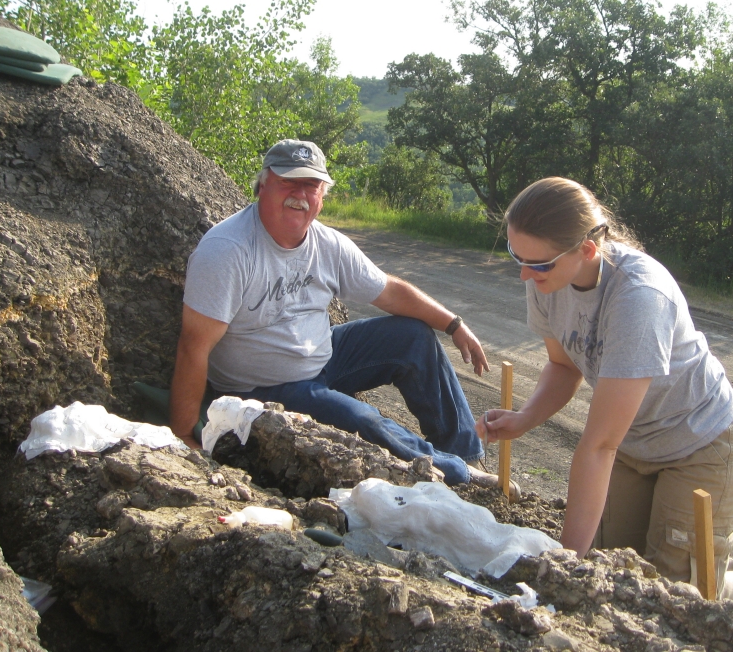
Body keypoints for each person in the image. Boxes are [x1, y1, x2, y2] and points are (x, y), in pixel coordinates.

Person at [478, 177, 733, 652]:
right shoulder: (547, 279)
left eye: (536, 262)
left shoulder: (639, 295)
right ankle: (725, 540)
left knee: (669, 599)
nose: (524, 274)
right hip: (636, 443)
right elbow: (562, 364)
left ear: (589, 250)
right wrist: (526, 417)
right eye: (517, 257)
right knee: (621, 569)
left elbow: (597, 446)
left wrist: (567, 568)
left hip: (701, 443)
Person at [169, 138, 507, 492]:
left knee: (413, 337)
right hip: (265, 388)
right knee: (363, 419)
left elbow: (390, 291)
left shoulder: (326, 243)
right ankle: (461, 477)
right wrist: (182, 435)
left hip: (324, 357)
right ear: (263, 183)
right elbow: (194, 347)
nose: (300, 193)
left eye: (311, 184)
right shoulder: (228, 251)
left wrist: (454, 324)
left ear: (322, 195)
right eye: (288, 181)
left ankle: (465, 454)